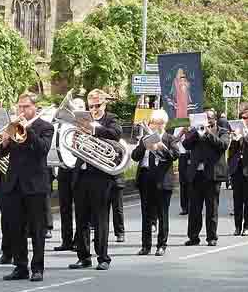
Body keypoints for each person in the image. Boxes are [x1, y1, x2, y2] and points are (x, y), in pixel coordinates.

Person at [0, 92, 54, 282]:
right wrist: (4, 141)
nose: (22, 110)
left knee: (38, 229)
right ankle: (20, 267)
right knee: (15, 228)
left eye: (26, 106)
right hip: (13, 184)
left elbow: (42, 149)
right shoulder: (11, 127)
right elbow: (0, 154)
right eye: (19, 106)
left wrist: (26, 131)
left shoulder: (45, 127)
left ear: (34, 108)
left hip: (36, 185)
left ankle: (37, 268)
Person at [69, 89, 122, 271]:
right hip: (81, 174)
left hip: (100, 175)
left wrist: (94, 128)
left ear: (104, 104)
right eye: (90, 106)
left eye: (97, 105)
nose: (94, 109)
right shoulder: (81, 120)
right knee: (81, 218)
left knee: (100, 219)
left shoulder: (111, 119)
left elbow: (115, 134)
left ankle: (103, 257)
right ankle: (83, 256)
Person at [131, 109, 179, 256]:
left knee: (162, 213)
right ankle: (146, 245)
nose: (153, 126)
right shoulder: (145, 138)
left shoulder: (169, 138)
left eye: (157, 123)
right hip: (146, 177)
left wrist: (160, 148)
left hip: (162, 179)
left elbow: (175, 155)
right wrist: (143, 147)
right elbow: (135, 156)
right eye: (152, 123)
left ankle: (161, 245)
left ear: (163, 124)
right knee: (146, 214)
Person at [182, 110, 229, 247]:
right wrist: (196, 133)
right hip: (196, 174)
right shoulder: (195, 131)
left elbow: (223, 145)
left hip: (212, 174)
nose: (206, 120)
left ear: (214, 119)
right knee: (194, 208)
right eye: (204, 118)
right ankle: (193, 237)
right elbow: (186, 145)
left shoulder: (222, 131)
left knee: (211, 208)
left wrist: (208, 133)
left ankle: (211, 237)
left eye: (209, 118)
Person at [54, 97, 85, 252]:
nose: (75, 109)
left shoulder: (87, 125)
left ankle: (78, 241)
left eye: (79, 107)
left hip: (78, 169)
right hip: (64, 168)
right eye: (74, 106)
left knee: (80, 208)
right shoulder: (65, 124)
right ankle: (66, 240)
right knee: (64, 207)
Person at [227, 110, 248, 236]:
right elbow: (232, 151)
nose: (243, 119)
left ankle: (247, 226)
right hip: (237, 169)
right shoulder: (237, 133)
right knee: (237, 199)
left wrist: (243, 137)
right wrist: (234, 139)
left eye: (245, 117)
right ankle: (237, 227)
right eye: (241, 117)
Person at [175, 127, 190, 215]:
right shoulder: (178, 128)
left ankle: (193, 206)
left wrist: (188, 133)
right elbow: (174, 141)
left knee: (192, 182)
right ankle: (184, 207)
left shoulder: (195, 127)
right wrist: (181, 133)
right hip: (183, 156)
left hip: (192, 155)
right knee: (183, 183)